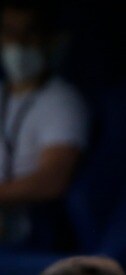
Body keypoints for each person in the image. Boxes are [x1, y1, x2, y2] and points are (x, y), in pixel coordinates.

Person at [0, 1, 89, 247]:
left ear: (48, 39)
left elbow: (52, 180)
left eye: (29, 32)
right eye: (9, 32)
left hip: (25, 227)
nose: (18, 43)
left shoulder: (61, 100)